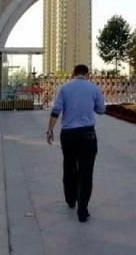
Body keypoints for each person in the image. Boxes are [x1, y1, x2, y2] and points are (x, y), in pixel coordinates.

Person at [46, 64, 106, 222]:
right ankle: (83, 210)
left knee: (69, 166)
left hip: (68, 134)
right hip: (88, 134)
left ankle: (71, 199)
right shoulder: (94, 88)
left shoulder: (64, 88)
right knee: (86, 171)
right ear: (87, 74)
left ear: (73, 73)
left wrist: (50, 130)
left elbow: (56, 110)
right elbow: (101, 110)